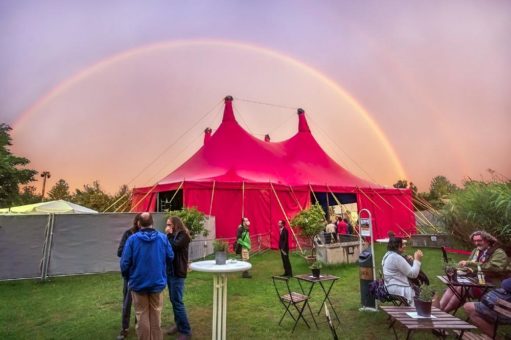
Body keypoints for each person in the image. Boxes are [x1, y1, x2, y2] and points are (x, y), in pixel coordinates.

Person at [120, 212, 174, 340]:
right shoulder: (162, 238)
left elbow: (124, 263)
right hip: (156, 283)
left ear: (139, 223)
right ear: (152, 223)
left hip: (138, 284)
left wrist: (128, 276)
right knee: (156, 315)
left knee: (141, 315)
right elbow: (171, 256)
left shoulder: (132, 239)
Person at [438, 230, 510, 313]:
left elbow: (495, 268)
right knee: (454, 286)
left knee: (461, 289)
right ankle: (439, 310)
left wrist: (471, 264)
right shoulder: (476, 250)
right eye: (475, 241)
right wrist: (460, 269)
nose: (477, 243)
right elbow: (471, 266)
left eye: (479, 240)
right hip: (476, 280)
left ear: (488, 240)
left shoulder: (498, 252)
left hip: (492, 284)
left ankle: (444, 313)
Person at [164, 216, 192, 340]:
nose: (168, 227)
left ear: (175, 224)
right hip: (170, 271)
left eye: (169, 224)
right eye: (167, 224)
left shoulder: (183, 236)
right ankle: (178, 324)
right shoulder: (174, 235)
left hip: (177, 272)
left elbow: (173, 247)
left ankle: (185, 331)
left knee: (178, 301)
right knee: (174, 300)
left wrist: (169, 235)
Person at [116, 213, 141, 340]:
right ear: (137, 222)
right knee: (127, 302)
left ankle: (139, 325)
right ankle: (124, 328)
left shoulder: (147, 235)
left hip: (142, 274)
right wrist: (132, 249)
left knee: (140, 303)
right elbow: (120, 252)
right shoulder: (128, 234)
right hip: (130, 274)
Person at [382, 237, 423, 306]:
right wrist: (417, 259)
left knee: (422, 292)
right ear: (398, 246)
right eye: (402, 244)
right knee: (428, 296)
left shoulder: (388, 255)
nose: (405, 246)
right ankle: (426, 314)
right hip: (398, 288)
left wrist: (407, 260)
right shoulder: (396, 258)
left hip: (390, 287)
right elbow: (413, 274)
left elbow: (397, 267)